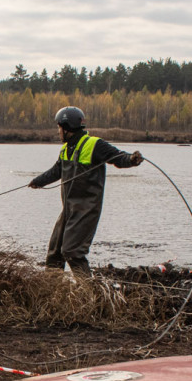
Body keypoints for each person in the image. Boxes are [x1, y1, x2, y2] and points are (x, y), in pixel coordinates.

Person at [28, 106, 143, 277]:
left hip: (86, 210)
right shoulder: (66, 149)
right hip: (69, 209)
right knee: (55, 252)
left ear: (67, 127)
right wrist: (37, 182)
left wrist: (132, 159)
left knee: (72, 251)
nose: (58, 131)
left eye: (59, 127)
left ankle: (88, 290)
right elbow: (56, 171)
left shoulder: (94, 144)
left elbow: (118, 157)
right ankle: (52, 288)